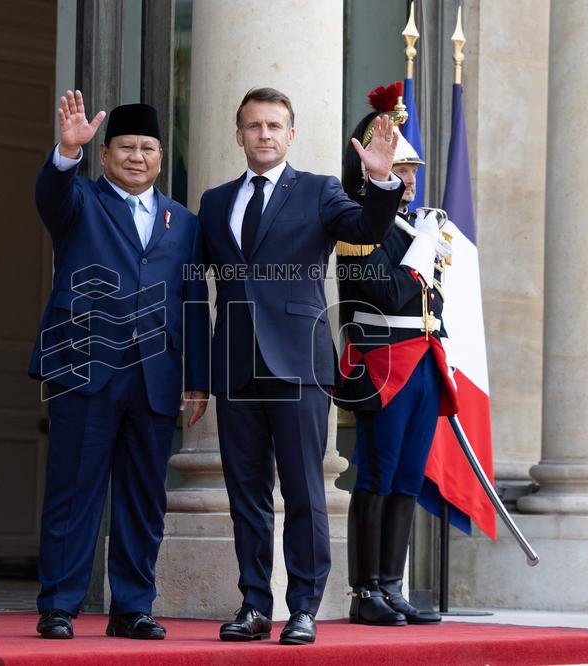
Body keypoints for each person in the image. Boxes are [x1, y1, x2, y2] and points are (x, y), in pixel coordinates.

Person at [198, 87, 404, 645]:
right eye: (254, 126)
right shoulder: (215, 202)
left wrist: (383, 184)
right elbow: (195, 286)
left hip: (300, 365)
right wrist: (198, 375)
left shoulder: (318, 191)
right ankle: (253, 606)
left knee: (306, 492)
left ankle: (305, 607)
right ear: (238, 135)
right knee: (246, 493)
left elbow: (365, 230)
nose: (264, 134)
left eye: (274, 126)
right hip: (237, 365)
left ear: (291, 135)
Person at [29, 91, 209, 640]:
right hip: (85, 366)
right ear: (104, 155)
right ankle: (59, 604)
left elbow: (194, 300)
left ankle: (132, 606)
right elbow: (50, 197)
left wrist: (198, 379)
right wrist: (65, 152)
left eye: (147, 148)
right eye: (125, 147)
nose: (137, 156)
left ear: (160, 157)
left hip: (157, 375)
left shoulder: (184, 221)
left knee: (143, 497)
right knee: (73, 489)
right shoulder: (80, 199)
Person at [335, 82, 459, 626]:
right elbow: (381, 293)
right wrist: (422, 249)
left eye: (411, 169)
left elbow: (434, 301)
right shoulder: (360, 223)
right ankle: (364, 593)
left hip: (425, 360)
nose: (407, 178)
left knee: (409, 477)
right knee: (377, 476)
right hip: (385, 363)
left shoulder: (418, 224)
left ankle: (391, 584)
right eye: (397, 167)